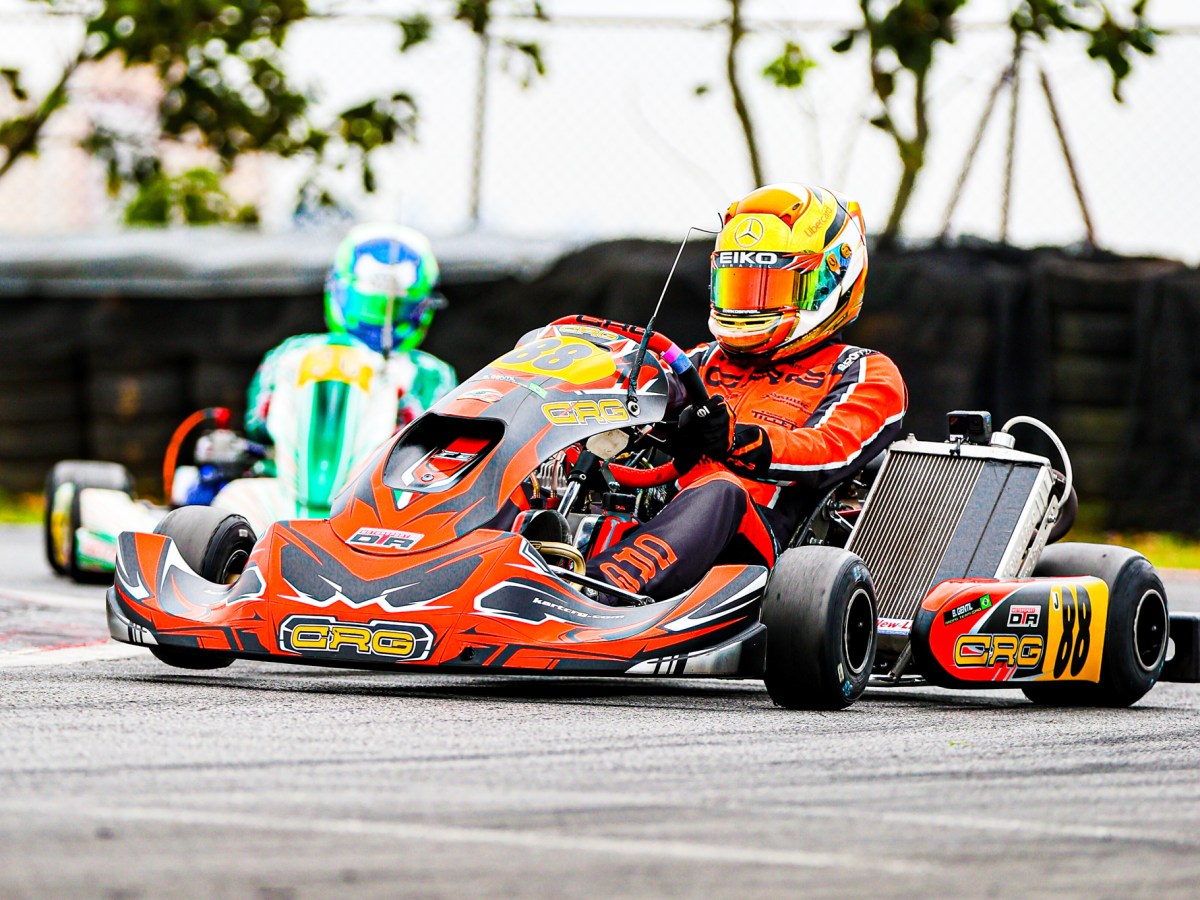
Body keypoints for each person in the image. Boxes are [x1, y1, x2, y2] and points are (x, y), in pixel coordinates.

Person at [586, 183, 908, 601]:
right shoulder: (700, 361)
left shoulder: (863, 371)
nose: (751, 305)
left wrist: (739, 441)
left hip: (761, 553)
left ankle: (600, 593)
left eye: (771, 287)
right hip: (661, 520)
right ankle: (515, 569)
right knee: (559, 464)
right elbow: (627, 390)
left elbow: (830, 448)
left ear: (830, 280)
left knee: (722, 489)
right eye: (739, 285)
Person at [245, 224, 457, 445]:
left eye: (397, 308)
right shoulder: (292, 354)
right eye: (368, 306)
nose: (378, 321)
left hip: (385, 466)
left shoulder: (430, 374)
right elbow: (256, 425)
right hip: (293, 463)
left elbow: (440, 444)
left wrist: (399, 399)